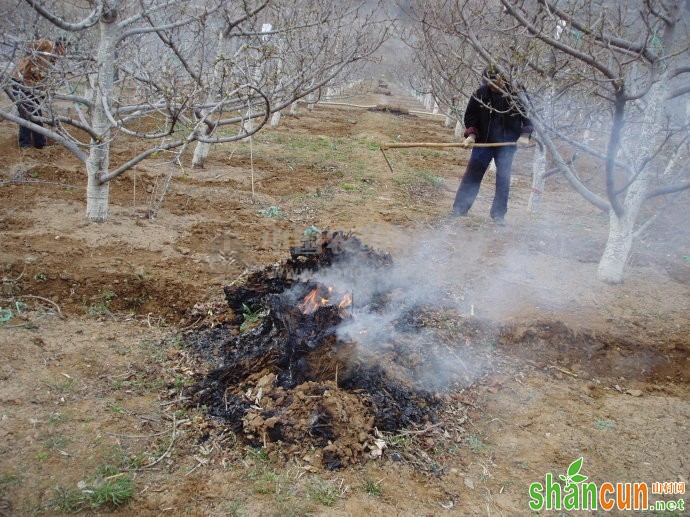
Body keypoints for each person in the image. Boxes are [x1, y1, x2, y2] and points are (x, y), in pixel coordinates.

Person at [451, 65, 532, 223]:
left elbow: (528, 115)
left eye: (496, 82)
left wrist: (525, 134)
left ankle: (498, 214)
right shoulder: (480, 94)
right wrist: (472, 134)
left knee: (503, 178)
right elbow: (470, 116)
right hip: (484, 143)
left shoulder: (517, 94)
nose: (493, 86)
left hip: (507, 145)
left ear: (504, 79)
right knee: (472, 175)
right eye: (489, 83)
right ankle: (460, 208)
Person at [9, 37, 69, 149]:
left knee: (37, 113)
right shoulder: (46, 44)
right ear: (61, 46)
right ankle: (25, 145)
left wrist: (42, 91)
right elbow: (29, 48)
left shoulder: (52, 57)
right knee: (26, 112)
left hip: (32, 85)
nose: (64, 54)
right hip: (21, 80)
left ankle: (40, 144)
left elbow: (43, 74)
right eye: (65, 49)